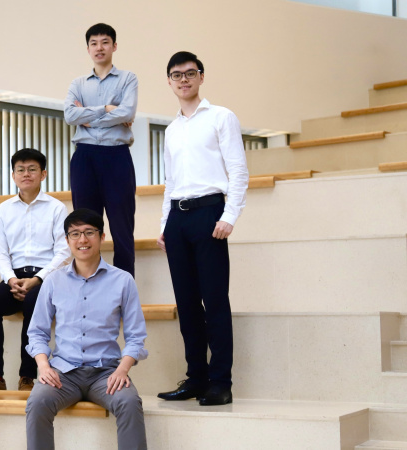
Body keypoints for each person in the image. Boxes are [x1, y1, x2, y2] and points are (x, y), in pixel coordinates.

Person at [155, 51, 249, 406]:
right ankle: (195, 378)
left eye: (189, 73)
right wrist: (164, 223)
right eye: (176, 75)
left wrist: (229, 216)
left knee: (215, 301)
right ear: (169, 82)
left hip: (210, 213)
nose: (183, 80)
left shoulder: (221, 117)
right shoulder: (171, 129)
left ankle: (220, 382)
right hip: (178, 219)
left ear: (201, 76)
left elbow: (238, 170)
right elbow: (170, 180)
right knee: (187, 304)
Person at [25, 209, 148, 450]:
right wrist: (43, 365)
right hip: (63, 372)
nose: (82, 240)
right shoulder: (52, 281)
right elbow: (37, 332)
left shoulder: (123, 281)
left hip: (106, 373)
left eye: (89, 232)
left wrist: (123, 370)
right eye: (75, 234)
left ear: (101, 237)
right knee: (37, 401)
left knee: (130, 402)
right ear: (67, 240)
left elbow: (136, 337)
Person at [0, 148, 70, 392]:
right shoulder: (4, 210)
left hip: (46, 277)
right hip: (14, 276)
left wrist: (37, 279)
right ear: (13, 175)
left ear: (43, 174)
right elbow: (0, 251)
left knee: (33, 304)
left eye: (32, 169)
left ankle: (27, 377)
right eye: (20, 169)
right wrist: (11, 279)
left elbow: (63, 252)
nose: (26, 174)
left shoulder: (57, 208)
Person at [64, 22, 138, 277]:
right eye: (94, 43)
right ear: (88, 48)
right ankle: (87, 282)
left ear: (114, 46)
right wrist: (107, 110)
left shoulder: (128, 78)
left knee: (122, 227)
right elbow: (69, 115)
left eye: (105, 42)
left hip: (116, 156)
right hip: (84, 156)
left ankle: (125, 289)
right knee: (84, 227)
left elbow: (127, 112)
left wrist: (87, 115)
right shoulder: (78, 83)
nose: (99, 47)